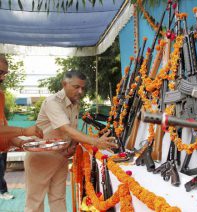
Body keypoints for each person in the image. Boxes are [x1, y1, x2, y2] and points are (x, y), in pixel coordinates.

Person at [24, 70, 118, 212]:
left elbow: (73, 130)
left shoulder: (75, 103)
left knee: (58, 198)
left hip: (61, 157)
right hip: (41, 158)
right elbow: (66, 129)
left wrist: (73, 146)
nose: (80, 91)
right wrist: (96, 142)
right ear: (64, 84)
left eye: (83, 88)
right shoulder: (53, 102)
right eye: (76, 87)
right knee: (35, 202)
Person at [0, 54, 43, 200]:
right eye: (0, 72)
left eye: (5, 73)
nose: (3, 77)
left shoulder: (0, 95)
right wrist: (24, 131)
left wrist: (21, 142)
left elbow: (3, 127)